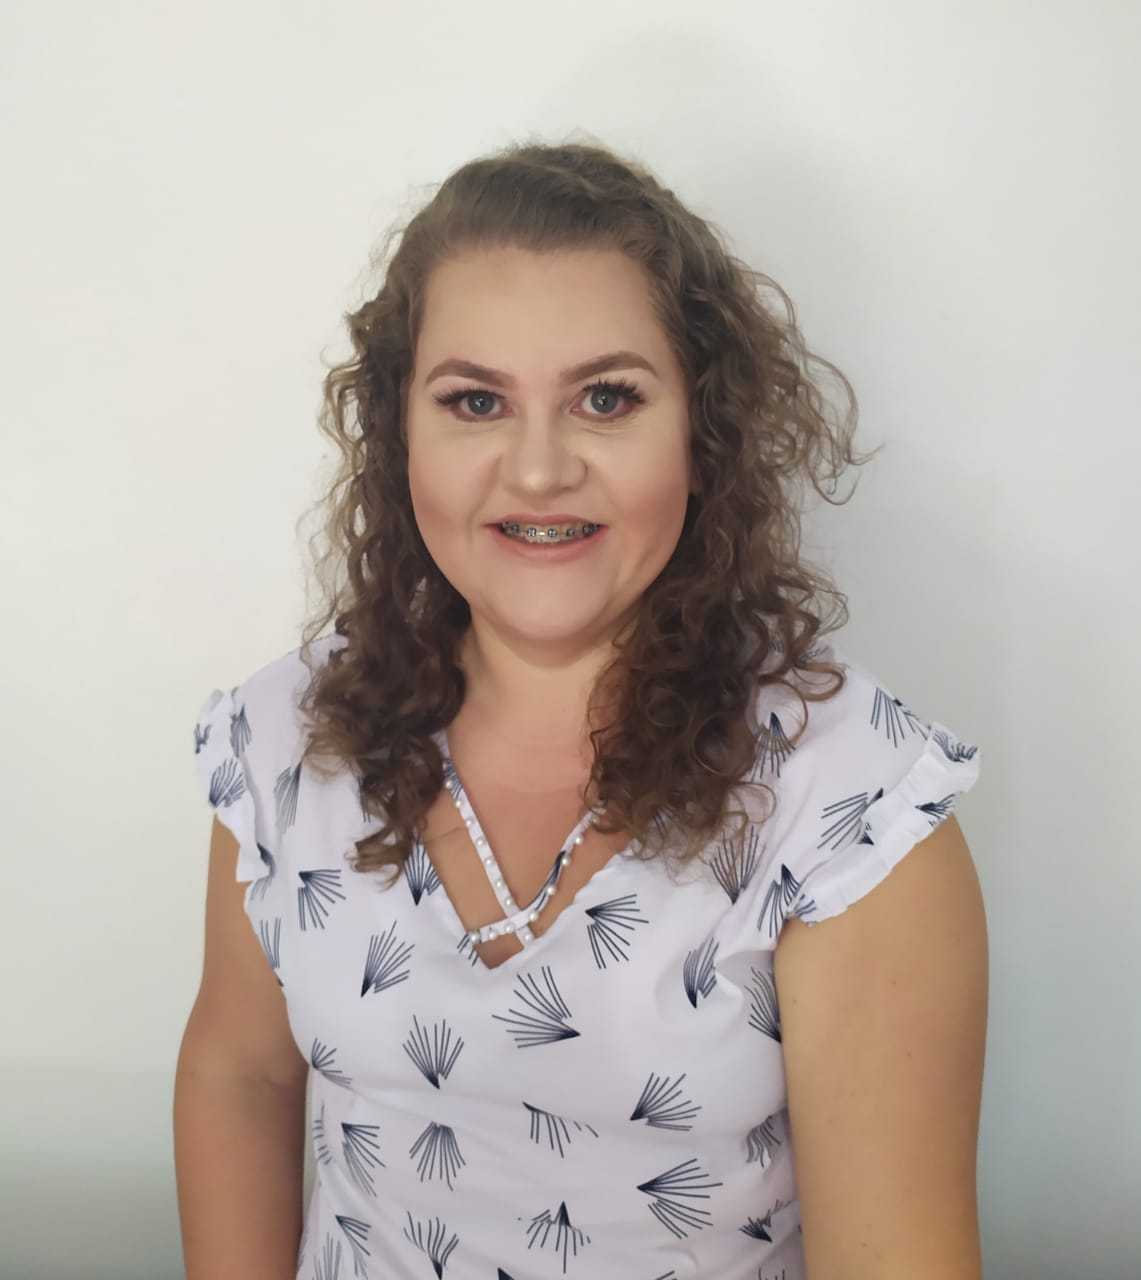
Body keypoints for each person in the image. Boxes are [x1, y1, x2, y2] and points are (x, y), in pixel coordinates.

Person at [175, 137, 988, 1280]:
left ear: (700, 432)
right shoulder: (282, 741)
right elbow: (240, 1072)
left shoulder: (851, 808)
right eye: (475, 401)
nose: (538, 468)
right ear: (400, 434)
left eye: (605, 398)